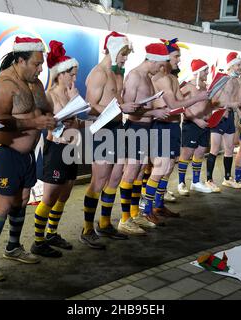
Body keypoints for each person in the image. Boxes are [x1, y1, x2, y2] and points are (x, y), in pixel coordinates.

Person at [0, 37, 57, 281]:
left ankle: (13, 247)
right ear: (20, 60)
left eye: (41, 64)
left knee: (22, 199)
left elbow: (45, 108)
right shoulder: (2, 85)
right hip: (3, 151)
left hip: (27, 154)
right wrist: (35, 122)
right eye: (36, 64)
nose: (40, 69)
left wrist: (57, 115)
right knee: (3, 204)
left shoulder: (36, 83)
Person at [80, 32, 139, 249]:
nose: (125, 59)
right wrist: (121, 108)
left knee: (113, 178)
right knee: (99, 180)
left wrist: (130, 106)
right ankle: (86, 229)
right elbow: (90, 105)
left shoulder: (115, 73)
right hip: (101, 130)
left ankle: (104, 223)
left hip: (115, 128)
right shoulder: (99, 73)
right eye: (123, 54)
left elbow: (118, 102)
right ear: (113, 50)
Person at [32, 40, 81, 253]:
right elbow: (48, 123)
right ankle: (38, 240)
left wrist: (74, 102)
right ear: (61, 73)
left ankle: (51, 233)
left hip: (72, 148)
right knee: (49, 197)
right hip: (56, 149)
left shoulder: (71, 93)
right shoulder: (49, 95)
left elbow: (76, 124)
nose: (74, 78)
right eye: (72, 74)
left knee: (65, 195)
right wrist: (71, 104)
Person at [118, 43, 173, 231]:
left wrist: (159, 109)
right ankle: (124, 219)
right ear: (153, 60)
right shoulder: (134, 76)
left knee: (140, 171)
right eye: (161, 64)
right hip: (135, 128)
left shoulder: (147, 77)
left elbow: (144, 105)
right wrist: (154, 113)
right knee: (131, 171)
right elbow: (130, 111)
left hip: (145, 129)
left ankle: (134, 214)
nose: (162, 68)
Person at [150, 39, 209, 212]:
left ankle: (159, 204)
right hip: (162, 126)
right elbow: (174, 104)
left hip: (174, 125)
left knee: (168, 167)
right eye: (176, 56)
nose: (178, 60)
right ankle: (148, 208)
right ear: (166, 57)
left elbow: (181, 102)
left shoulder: (173, 78)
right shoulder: (160, 78)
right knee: (160, 167)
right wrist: (197, 98)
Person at [206, 52, 241, 191]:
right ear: (231, 65)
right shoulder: (223, 79)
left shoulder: (238, 81)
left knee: (229, 149)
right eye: (238, 65)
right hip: (219, 116)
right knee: (215, 149)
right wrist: (227, 105)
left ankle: (227, 178)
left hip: (230, 118)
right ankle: (209, 180)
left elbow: (237, 101)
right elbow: (213, 99)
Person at [178, 59, 216, 194]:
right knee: (186, 154)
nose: (207, 73)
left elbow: (208, 105)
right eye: (205, 70)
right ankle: (181, 183)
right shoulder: (187, 86)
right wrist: (195, 120)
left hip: (205, 124)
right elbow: (181, 106)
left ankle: (195, 182)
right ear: (198, 72)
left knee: (200, 153)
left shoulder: (206, 87)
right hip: (192, 124)